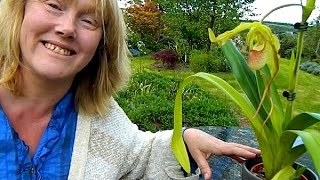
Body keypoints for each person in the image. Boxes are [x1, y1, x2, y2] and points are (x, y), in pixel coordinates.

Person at [0, 0, 261, 179]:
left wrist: (183, 139)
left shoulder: (97, 114)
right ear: (19, 10)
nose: (67, 28)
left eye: (89, 21)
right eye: (54, 5)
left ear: (103, 43)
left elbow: (138, 154)